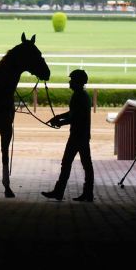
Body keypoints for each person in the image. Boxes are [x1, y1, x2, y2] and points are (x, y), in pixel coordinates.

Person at [42, 69, 94, 202]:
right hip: (82, 135)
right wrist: (58, 117)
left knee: (68, 163)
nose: (70, 82)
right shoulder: (82, 95)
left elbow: (75, 117)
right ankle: (87, 193)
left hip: (77, 135)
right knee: (85, 164)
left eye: (72, 80)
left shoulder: (78, 96)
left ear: (77, 82)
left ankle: (59, 192)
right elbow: (73, 113)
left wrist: (60, 122)